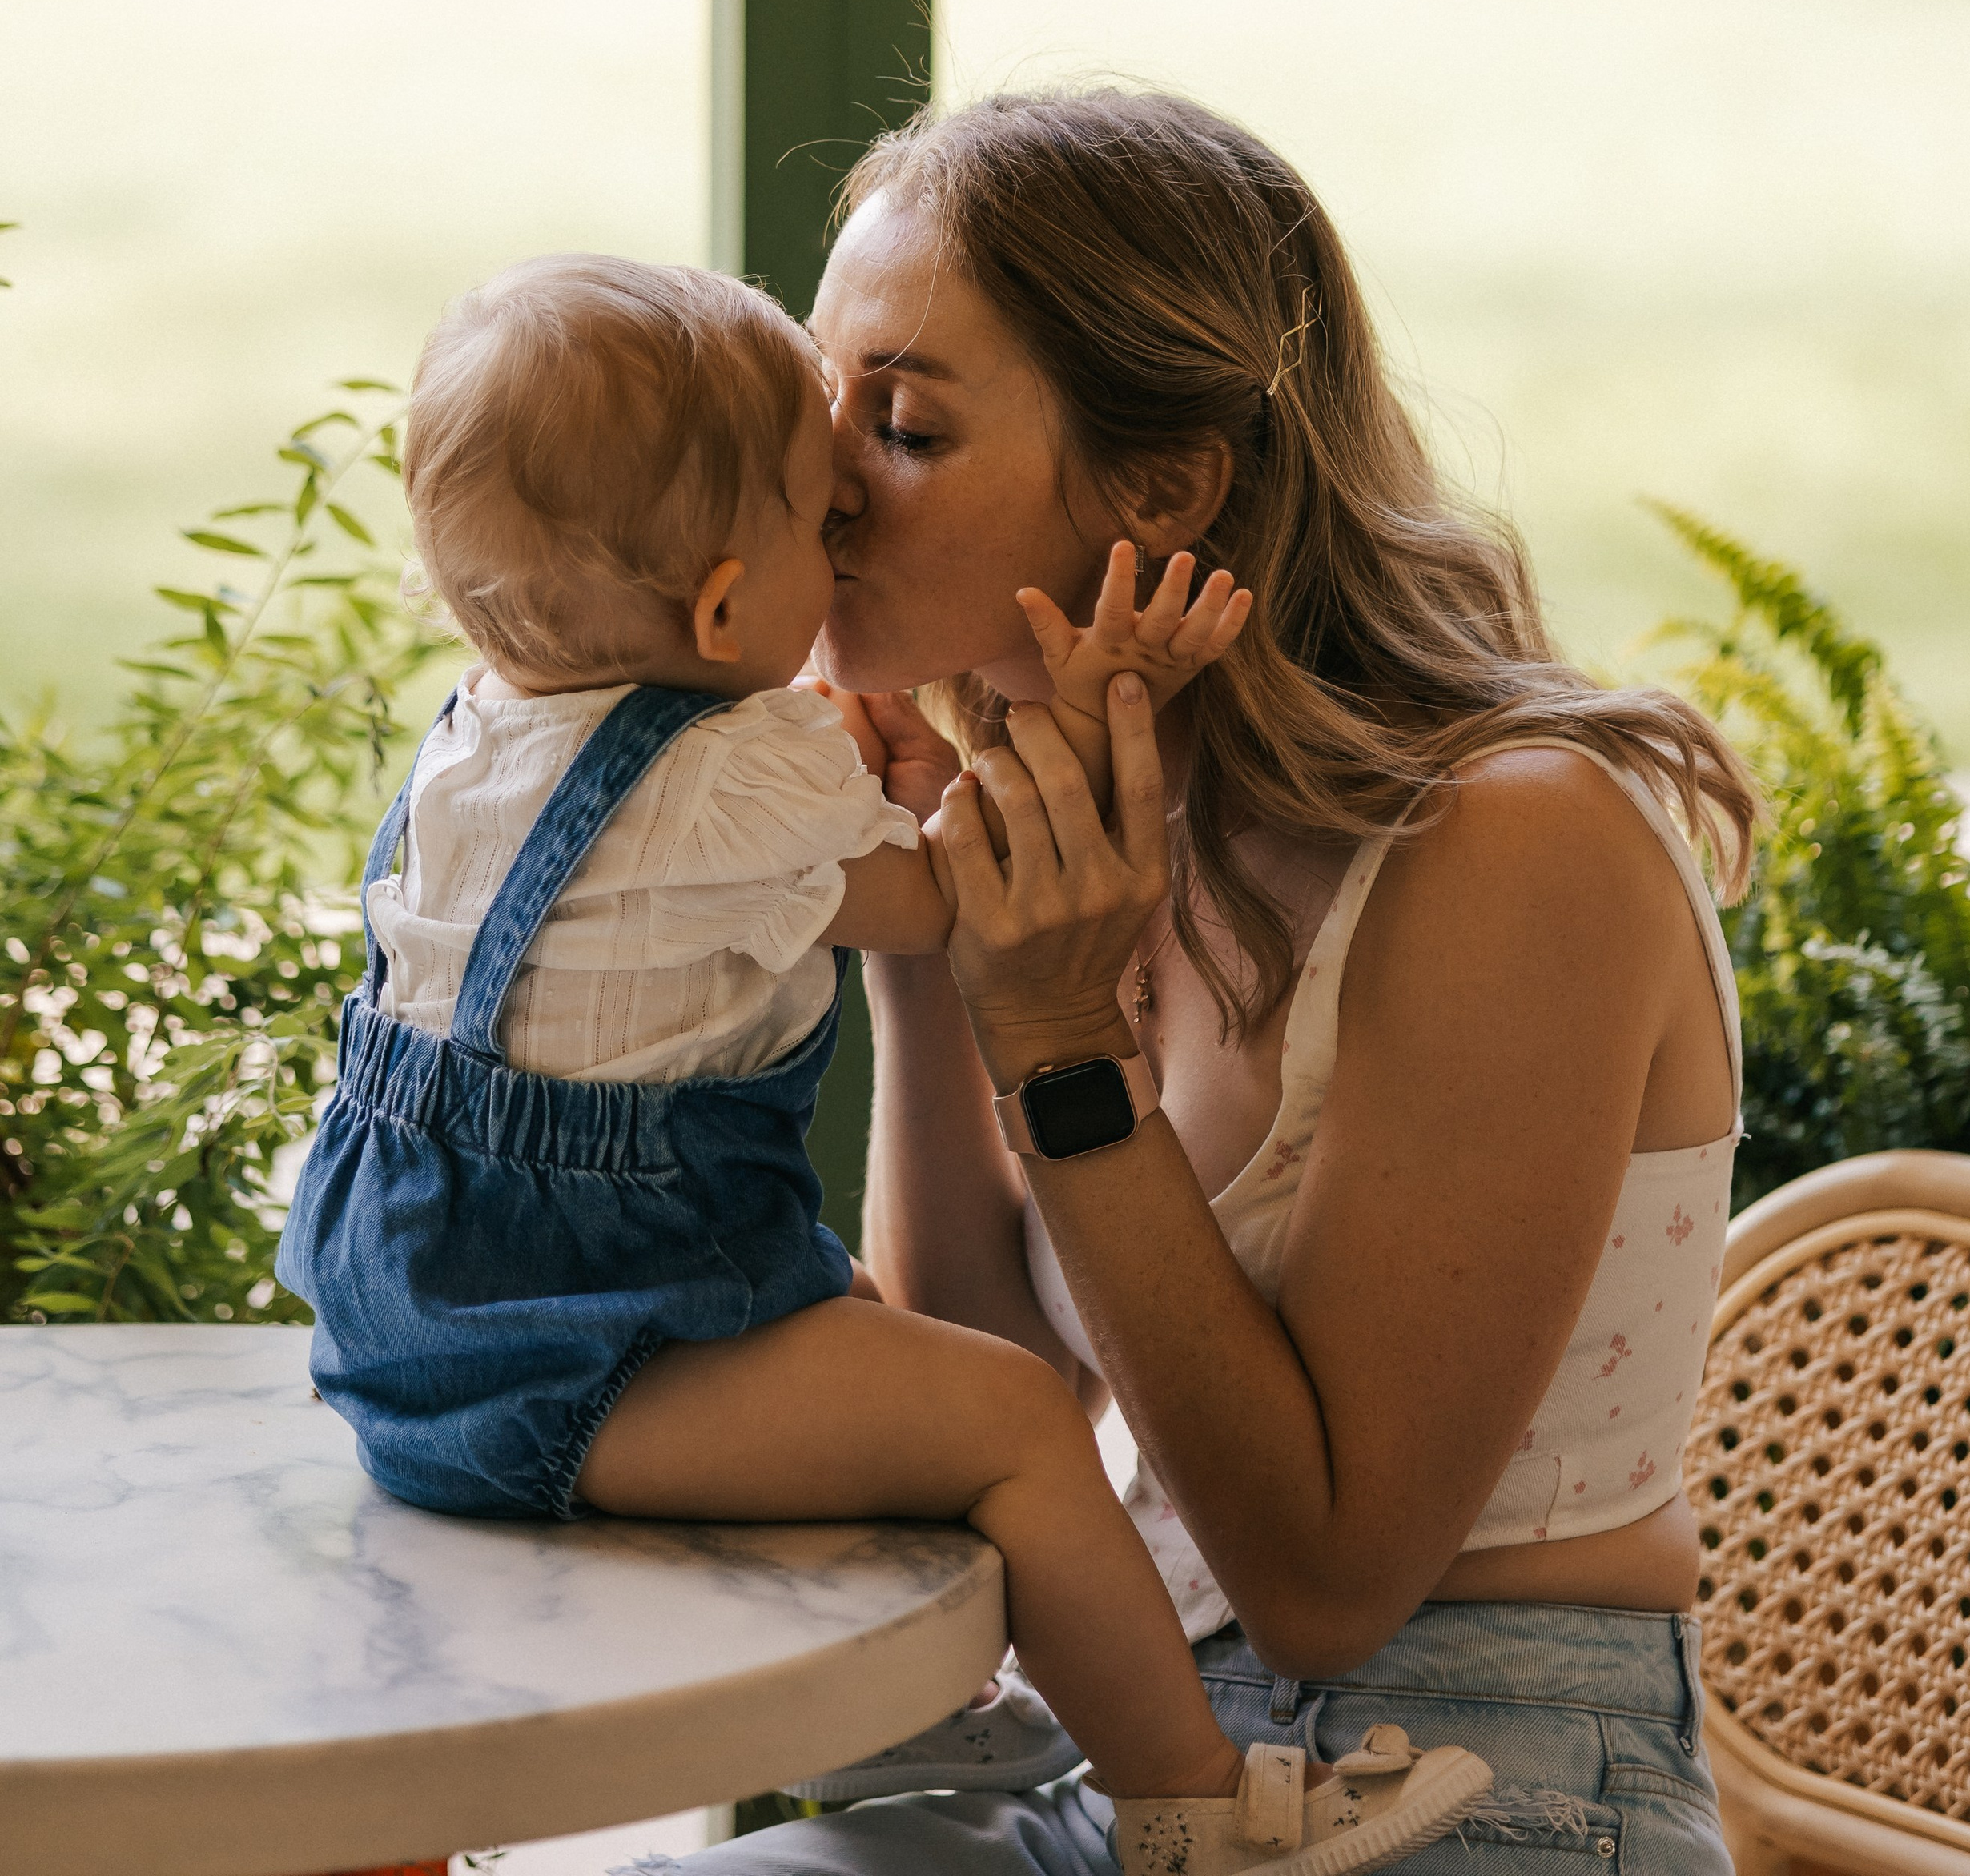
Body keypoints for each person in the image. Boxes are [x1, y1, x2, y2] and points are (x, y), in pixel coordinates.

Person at [277, 253, 1491, 1876]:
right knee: (999, 1419)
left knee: (851, 1329)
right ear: (723, 608)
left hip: (410, 1339)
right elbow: (952, 910)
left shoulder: (480, 741)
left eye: (895, 438)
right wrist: (1060, 732)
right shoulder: (739, 778)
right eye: (818, 498)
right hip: (584, 1360)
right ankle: (1201, 1812)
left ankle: (911, 1706)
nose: (845, 514)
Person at [714, 86, 1751, 1876]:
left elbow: (1329, 1580)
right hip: (1157, 1765)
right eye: (819, 415)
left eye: (896, 424)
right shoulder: (1107, 824)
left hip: (1477, 1778)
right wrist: (924, 955)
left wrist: (1053, 1048)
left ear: (1165, 487)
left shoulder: (1511, 841)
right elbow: (986, 1390)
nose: (820, 487)